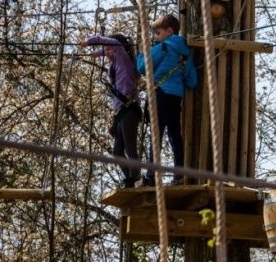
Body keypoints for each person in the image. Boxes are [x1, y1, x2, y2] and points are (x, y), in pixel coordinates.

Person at [137, 14, 197, 186]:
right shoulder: (186, 54)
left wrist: (142, 53)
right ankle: (179, 176)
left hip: (160, 94)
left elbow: (142, 68)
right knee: (174, 136)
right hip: (175, 97)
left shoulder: (163, 47)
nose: (156, 37)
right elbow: (192, 81)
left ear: (169, 31)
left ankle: (151, 176)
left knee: (156, 136)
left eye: (158, 32)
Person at [79, 33, 142, 188]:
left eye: (109, 49)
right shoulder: (114, 63)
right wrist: (98, 52)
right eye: (105, 50)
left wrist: (90, 41)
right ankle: (129, 178)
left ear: (118, 48)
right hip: (120, 113)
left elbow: (111, 43)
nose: (106, 52)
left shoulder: (123, 59)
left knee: (130, 147)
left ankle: (135, 179)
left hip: (130, 109)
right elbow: (108, 48)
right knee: (117, 152)